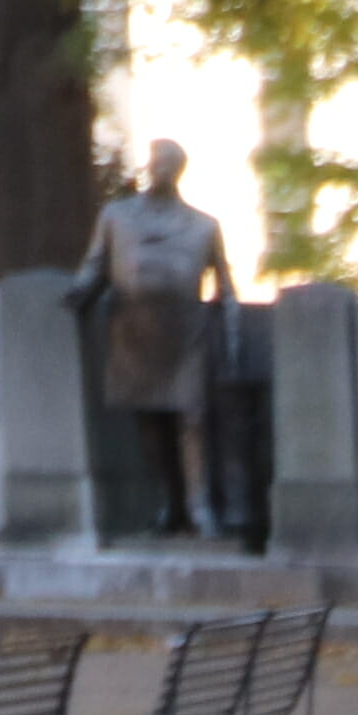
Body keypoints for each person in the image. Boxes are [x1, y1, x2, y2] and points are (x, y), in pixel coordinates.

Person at [82, 145, 236, 539]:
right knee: (147, 419)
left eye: (169, 165)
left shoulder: (203, 226)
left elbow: (225, 286)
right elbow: (95, 265)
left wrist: (232, 337)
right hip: (133, 331)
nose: (161, 170)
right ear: (148, 167)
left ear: (179, 171)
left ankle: (200, 506)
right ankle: (169, 504)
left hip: (186, 331)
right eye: (157, 163)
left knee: (192, 417)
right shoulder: (116, 216)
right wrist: (76, 293)